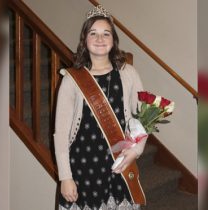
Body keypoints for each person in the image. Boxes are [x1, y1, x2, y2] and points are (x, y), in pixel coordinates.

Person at [54, 5, 146, 210]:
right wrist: (65, 177)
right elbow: (60, 134)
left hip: (119, 163)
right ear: (84, 40)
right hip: (83, 167)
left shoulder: (128, 73)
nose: (99, 39)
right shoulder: (72, 79)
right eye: (93, 33)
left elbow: (144, 118)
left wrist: (136, 151)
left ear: (114, 40)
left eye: (106, 34)